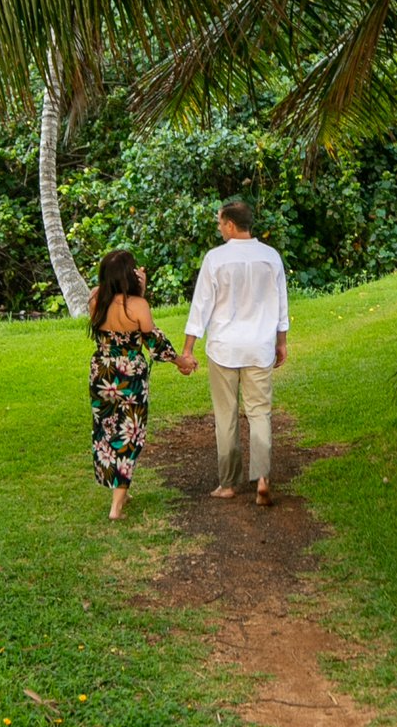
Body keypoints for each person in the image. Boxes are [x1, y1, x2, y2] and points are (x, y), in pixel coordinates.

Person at [182, 198, 289, 507]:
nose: (219, 228)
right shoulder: (270, 257)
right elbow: (281, 305)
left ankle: (228, 484)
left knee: (225, 415)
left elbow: (200, 307)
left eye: (219, 223)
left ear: (230, 224)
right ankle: (263, 479)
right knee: (259, 412)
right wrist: (281, 342)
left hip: (224, 347)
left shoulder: (215, 259)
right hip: (259, 346)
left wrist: (188, 349)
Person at [87, 248, 192, 519]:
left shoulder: (95, 299)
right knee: (129, 435)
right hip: (129, 375)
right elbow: (153, 340)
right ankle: (116, 506)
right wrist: (180, 361)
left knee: (107, 432)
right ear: (128, 275)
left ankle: (120, 491)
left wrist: (138, 294)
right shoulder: (138, 305)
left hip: (101, 372)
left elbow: (115, 323)